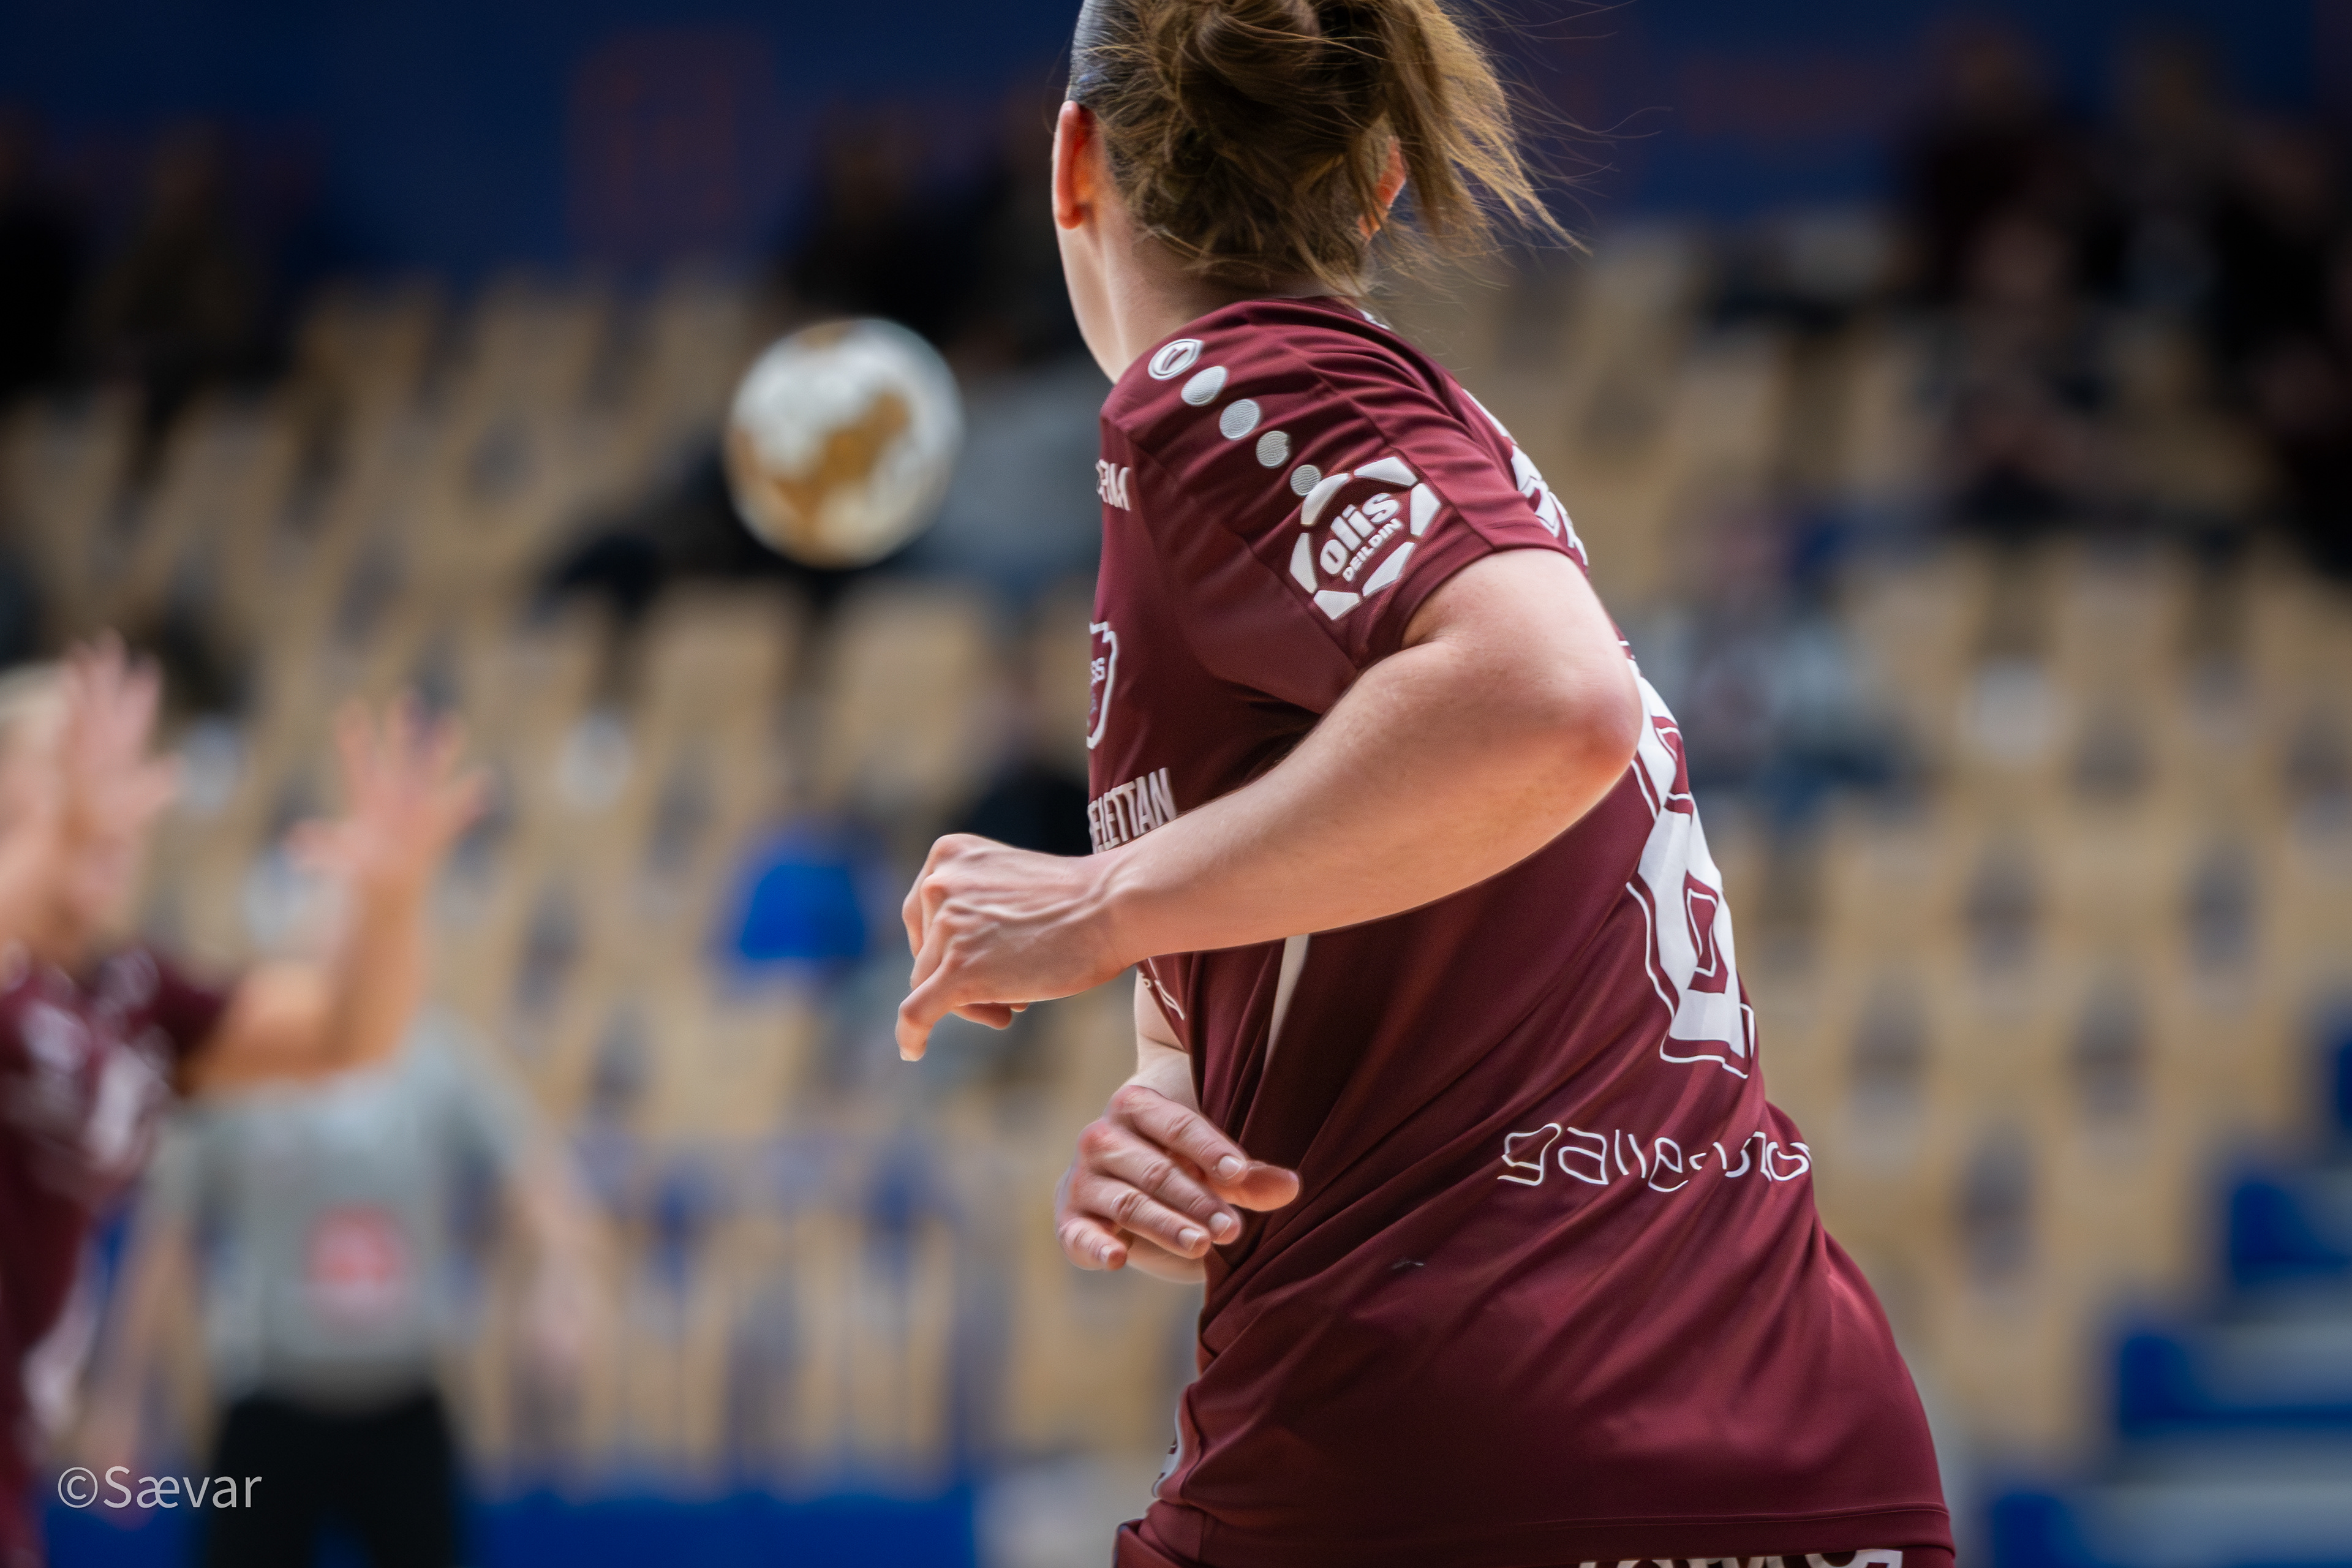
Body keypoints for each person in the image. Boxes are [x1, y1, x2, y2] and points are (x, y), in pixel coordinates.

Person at [892, 2, 1954, 1565]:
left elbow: (1552, 700)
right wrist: (1178, 1109)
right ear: (1383, 180)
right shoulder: (1398, 441)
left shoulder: (1224, 389)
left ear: (1071, 162)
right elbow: (1416, 880)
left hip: (1463, 1411)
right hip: (1782, 1418)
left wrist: (1097, 901)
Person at [0, 638, 483, 1568]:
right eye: (54, 797)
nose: (100, 819)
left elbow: (350, 1035)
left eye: (114, 791)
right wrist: (57, 843)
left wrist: (390, 904)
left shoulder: (131, 994)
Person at [82, 1007, 599, 1568]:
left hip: (403, 1405)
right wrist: (120, 1398)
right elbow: (166, 1230)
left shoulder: (440, 1062)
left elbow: (536, 1176)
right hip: (268, 1403)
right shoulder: (240, 1068)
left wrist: (561, 1283)